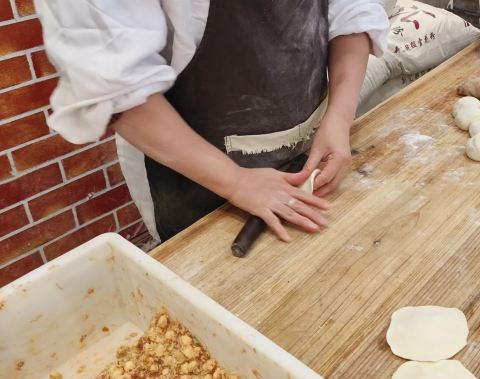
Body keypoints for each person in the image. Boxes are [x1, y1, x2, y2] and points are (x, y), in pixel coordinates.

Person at [35, 1, 389, 242]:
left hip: (310, 143)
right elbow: (113, 83)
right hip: (193, 177)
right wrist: (235, 182)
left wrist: (340, 117)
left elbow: (351, 9)